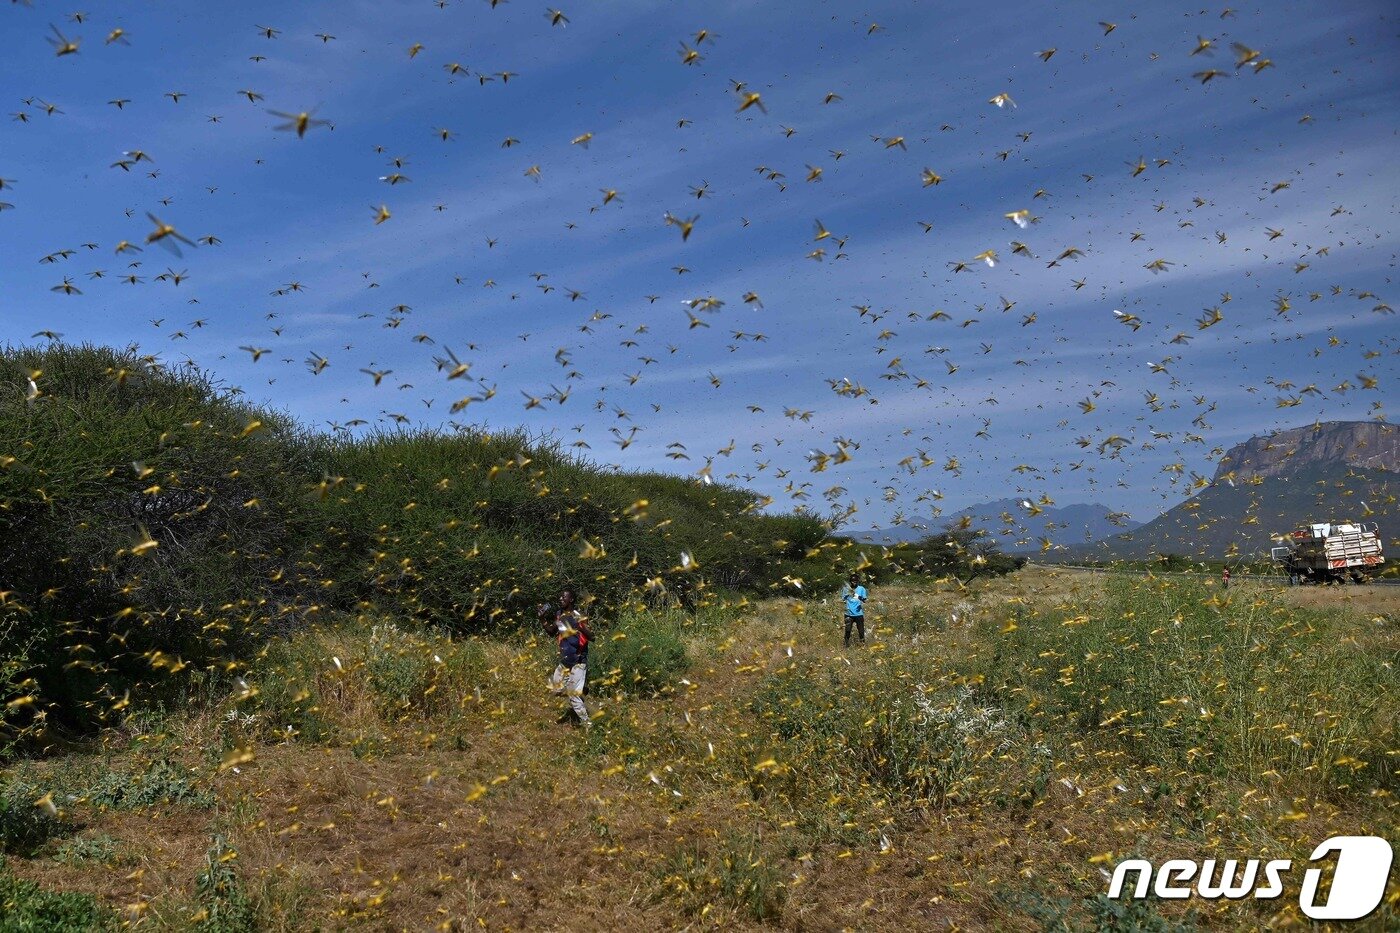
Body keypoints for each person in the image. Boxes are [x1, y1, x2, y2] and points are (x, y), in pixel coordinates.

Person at [538, 587, 590, 726]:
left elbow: (592, 637)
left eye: (564, 597)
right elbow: (551, 632)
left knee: (573, 695)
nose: (560, 599)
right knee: (557, 689)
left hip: (579, 660)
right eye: (560, 597)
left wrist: (581, 627)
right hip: (566, 661)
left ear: (571, 599)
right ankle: (581, 691)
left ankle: (587, 725)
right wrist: (542, 618)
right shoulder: (559, 614)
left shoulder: (578, 615)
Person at [840, 573, 867, 647]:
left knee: (861, 631)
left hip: (859, 614)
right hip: (848, 614)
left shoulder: (861, 589)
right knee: (847, 631)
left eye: (855, 581)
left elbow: (864, 600)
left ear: (858, 581)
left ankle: (863, 646)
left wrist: (859, 597)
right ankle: (846, 646)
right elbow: (843, 599)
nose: (854, 582)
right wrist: (847, 595)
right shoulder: (846, 589)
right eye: (852, 581)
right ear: (850, 581)